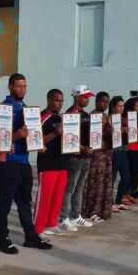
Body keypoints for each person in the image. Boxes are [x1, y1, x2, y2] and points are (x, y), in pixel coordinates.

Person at [0, 73, 51, 253]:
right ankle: (3, 239)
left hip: (24, 161)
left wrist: (37, 143)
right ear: (10, 87)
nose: (22, 90)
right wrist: (17, 135)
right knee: (5, 202)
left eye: (24, 86)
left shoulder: (27, 109)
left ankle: (30, 236)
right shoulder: (3, 109)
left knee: (25, 202)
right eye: (18, 86)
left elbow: (31, 135)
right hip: (8, 161)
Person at [32, 89, 68, 245]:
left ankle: (51, 223)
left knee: (57, 197)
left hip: (62, 162)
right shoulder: (42, 117)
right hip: (47, 164)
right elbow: (36, 139)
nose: (59, 104)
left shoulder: (62, 118)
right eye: (56, 100)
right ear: (49, 99)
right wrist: (55, 133)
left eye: (61, 101)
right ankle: (37, 229)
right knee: (44, 198)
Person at [58, 84, 94, 231]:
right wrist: (81, 148)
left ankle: (75, 215)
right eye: (85, 97)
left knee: (80, 187)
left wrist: (91, 146)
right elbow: (68, 136)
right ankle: (63, 217)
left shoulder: (86, 115)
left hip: (86, 156)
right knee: (69, 188)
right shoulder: (69, 114)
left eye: (88, 97)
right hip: (74, 157)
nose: (88, 100)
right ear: (77, 97)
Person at [82, 92, 113, 222]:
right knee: (95, 183)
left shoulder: (106, 116)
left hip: (106, 154)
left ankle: (102, 210)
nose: (104, 104)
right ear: (96, 101)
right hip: (96, 154)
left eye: (107, 102)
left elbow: (111, 134)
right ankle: (91, 210)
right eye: (102, 101)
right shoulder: (93, 116)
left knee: (104, 182)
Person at [109, 96, 131, 211]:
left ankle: (118, 200)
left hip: (124, 150)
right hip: (115, 151)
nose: (122, 108)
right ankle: (110, 202)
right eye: (119, 106)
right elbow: (109, 133)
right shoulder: (110, 118)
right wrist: (122, 131)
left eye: (123, 106)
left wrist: (131, 131)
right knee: (112, 178)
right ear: (113, 107)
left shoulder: (122, 118)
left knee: (126, 177)